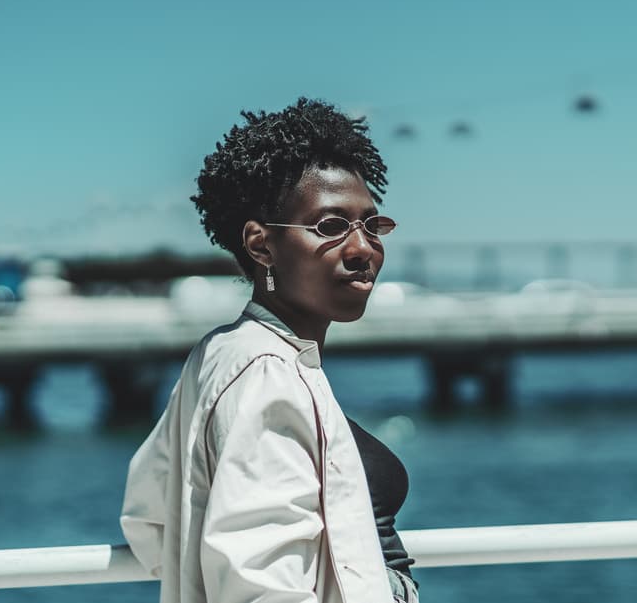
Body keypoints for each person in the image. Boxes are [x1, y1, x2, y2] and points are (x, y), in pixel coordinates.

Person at [121, 98, 419, 603]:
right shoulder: (266, 372)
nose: (363, 248)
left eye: (372, 224)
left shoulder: (220, 354)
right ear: (260, 246)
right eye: (330, 226)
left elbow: (149, 522)